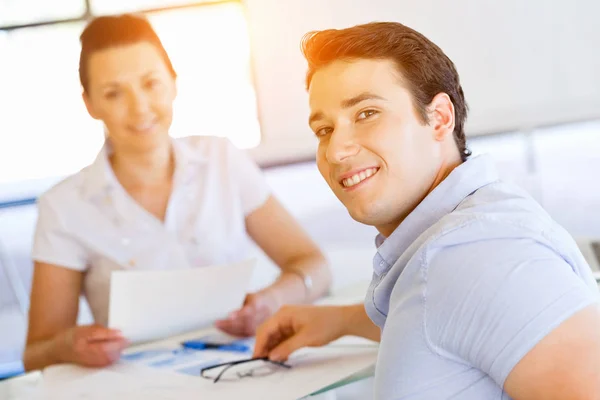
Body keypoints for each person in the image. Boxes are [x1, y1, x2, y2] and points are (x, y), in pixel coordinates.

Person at [254, 22, 600, 399]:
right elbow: (464, 314)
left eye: (367, 114)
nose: (336, 151)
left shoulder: (479, 256)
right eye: (324, 130)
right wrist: (343, 320)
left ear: (439, 118)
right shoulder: (459, 243)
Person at [23, 14, 331, 371]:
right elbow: (36, 353)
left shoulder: (222, 160)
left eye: (151, 83)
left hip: (249, 370)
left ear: (173, 82)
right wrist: (68, 346)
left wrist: (272, 300)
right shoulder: (63, 207)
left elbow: (315, 266)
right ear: (90, 104)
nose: (139, 107)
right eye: (113, 93)